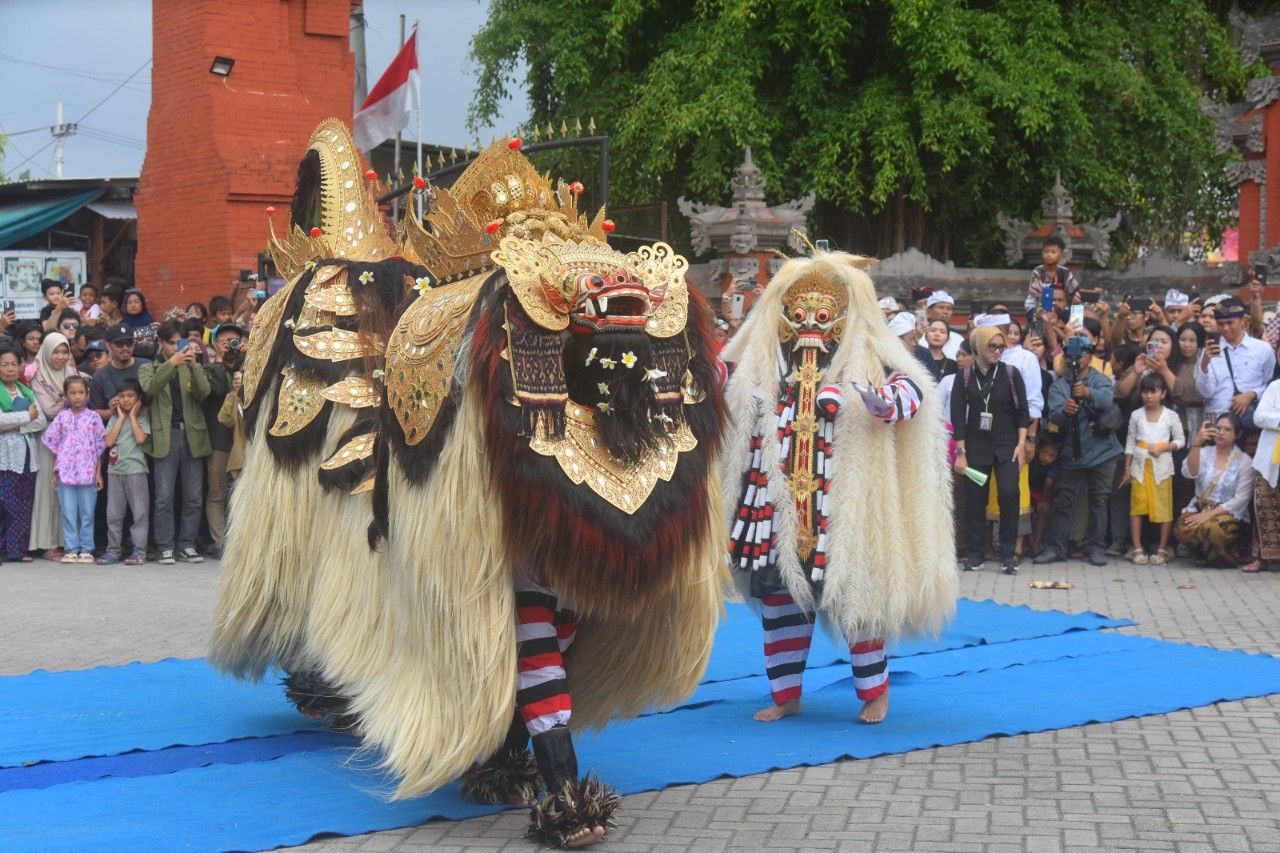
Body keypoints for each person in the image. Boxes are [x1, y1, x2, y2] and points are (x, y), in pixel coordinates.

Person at [723, 250, 953, 731]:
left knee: (856, 598)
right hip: (776, 500)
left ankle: (875, 690)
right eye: (800, 314)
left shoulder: (867, 354)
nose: (810, 324)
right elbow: (728, 380)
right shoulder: (768, 358)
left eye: (822, 316)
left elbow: (914, 390)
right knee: (780, 600)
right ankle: (786, 695)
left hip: (843, 502)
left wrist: (875, 402)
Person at [1035, 322, 1123, 566]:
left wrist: (1088, 394)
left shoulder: (1100, 379)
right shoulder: (1059, 385)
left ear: (1090, 356)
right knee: (1064, 500)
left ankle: (1096, 548)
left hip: (1103, 450)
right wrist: (1066, 411)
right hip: (1073, 451)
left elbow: (1107, 400)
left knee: (1099, 501)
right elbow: (1054, 415)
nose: (1077, 358)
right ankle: (1056, 547)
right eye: (1071, 353)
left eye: (1082, 353)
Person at [952, 325, 1030, 574]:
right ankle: (975, 554)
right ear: (978, 347)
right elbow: (957, 416)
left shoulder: (1010, 373)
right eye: (992, 346)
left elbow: (1023, 411)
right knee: (975, 500)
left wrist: (1021, 444)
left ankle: (1008, 553)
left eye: (1001, 347)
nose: (997, 351)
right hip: (976, 446)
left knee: (1009, 494)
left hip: (1007, 445)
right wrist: (961, 453)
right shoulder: (964, 376)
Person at [140, 320, 210, 565]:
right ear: (160, 342)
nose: (176, 348)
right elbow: (150, 388)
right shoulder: (149, 367)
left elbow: (204, 393)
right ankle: (165, 546)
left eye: (180, 343)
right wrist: (172, 363)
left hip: (192, 436)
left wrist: (194, 367)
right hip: (165, 436)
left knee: (194, 496)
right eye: (171, 343)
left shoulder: (190, 366)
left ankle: (187, 544)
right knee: (164, 497)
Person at [1120, 372, 1184, 565]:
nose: (1148, 396)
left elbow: (1180, 440)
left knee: (1164, 508)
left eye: (1153, 392)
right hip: (1139, 467)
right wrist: (1126, 469)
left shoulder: (1170, 415)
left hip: (1162, 467)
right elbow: (1130, 443)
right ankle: (1137, 547)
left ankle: (1163, 548)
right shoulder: (1136, 415)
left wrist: (1164, 448)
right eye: (1145, 392)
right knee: (1137, 508)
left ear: (1163, 393)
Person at [28, 332, 82, 561]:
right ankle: (48, 542)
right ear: (46, 352)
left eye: (64, 352)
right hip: (49, 439)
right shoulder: (37, 376)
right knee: (49, 490)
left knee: (70, 489)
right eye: (55, 352)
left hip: (73, 439)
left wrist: (65, 400)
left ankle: (68, 541)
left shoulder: (72, 373)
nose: (60, 357)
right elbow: (49, 410)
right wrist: (71, 400)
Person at [41, 376, 105, 563]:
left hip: (88, 473)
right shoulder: (62, 417)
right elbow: (55, 445)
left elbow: (99, 447)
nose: (77, 396)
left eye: (81, 392)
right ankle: (70, 548)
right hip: (65, 472)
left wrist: (98, 473)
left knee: (87, 513)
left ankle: (86, 549)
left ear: (87, 394)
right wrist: (55, 471)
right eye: (73, 393)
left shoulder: (94, 418)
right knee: (68, 512)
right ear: (66, 396)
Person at [1176, 414, 1255, 567]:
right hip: (1202, 506)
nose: (1221, 432)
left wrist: (1209, 514)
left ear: (1237, 434)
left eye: (1227, 429)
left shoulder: (1245, 461)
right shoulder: (1205, 452)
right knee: (1182, 527)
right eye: (1218, 428)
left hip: (1229, 514)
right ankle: (1207, 554)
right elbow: (1189, 473)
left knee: (1212, 528)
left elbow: (1241, 499)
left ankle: (1228, 556)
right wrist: (1196, 444)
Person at [1194, 298, 1275, 430]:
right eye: (1221, 324)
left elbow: (1272, 384)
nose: (1225, 328)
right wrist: (1204, 366)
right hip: (1216, 420)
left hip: (1249, 421)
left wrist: (1252, 394)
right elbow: (1204, 393)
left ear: (1243, 321)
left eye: (1230, 322)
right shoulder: (1209, 350)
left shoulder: (1263, 349)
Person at [0, 346, 48, 562]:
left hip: (27, 457)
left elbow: (41, 421)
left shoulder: (25, 391)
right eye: (4, 364)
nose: (10, 369)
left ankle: (17, 550)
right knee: (6, 505)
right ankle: (4, 548)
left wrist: (15, 425)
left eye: (14, 364)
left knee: (23, 504)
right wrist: (26, 417)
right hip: (5, 458)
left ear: (21, 366)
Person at [99, 377, 150, 565]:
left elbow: (140, 439)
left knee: (139, 513)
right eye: (122, 396)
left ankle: (139, 551)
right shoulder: (114, 419)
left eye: (130, 396)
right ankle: (113, 550)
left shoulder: (143, 418)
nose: (126, 399)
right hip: (115, 471)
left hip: (136, 470)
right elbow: (108, 442)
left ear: (138, 399)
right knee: (113, 514)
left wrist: (133, 416)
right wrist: (121, 418)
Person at [202, 322, 243, 556]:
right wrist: (219, 361)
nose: (230, 345)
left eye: (235, 341)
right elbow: (215, 391)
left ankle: (238, 541)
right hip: (218, 439)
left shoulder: (247, 366)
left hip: (242, 441)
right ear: (216, 344)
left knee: (238, 494)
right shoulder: (209, 370)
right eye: (225, 341)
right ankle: (220, 542)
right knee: (216, 493)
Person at [89, 324, 150, 421]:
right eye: (119, 344)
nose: (125, 348)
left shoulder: (146, 366)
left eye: (129, 343)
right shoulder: (99, 376)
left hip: (146, 427)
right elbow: (93, 412)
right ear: (108, 345)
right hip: (115, 428)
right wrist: (111, 412)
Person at [1024, 235, 1079, 323]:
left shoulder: (1065, 272)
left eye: (1053, 252)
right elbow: (1037, 294)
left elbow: (1075, 290)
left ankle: (1075, 331)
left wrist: (1080, 296)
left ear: (1061, 254)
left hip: (1059, 307)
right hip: (1038, 306)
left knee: (1077, 315)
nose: (1049, 255)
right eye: (1046, 252)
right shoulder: (1038, 271)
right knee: (1039, 317)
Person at [925, 290, 964, 358]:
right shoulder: (918, 336)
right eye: (941, 307)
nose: (945, 312)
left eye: (949, 308)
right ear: (929, 311)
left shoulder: (958, 339)